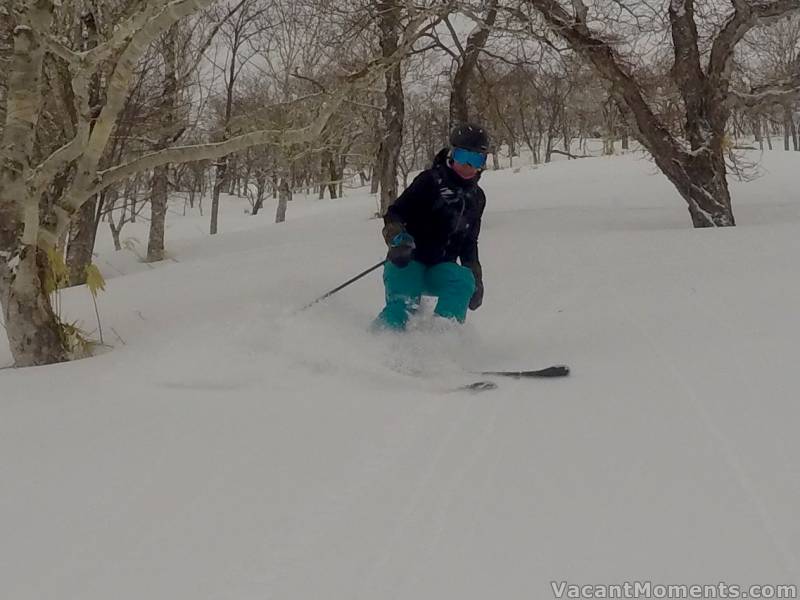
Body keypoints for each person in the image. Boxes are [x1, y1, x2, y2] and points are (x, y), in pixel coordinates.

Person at [374, 122, 489, 331]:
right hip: (407, 260)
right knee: (403, 308)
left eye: (476, 160)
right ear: (452, 154)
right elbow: (394, 213)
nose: (468, 166)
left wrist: (476, 279)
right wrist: (398, 238)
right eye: (463, 157)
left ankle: (440, 343)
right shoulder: (430, 181)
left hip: (439, 268)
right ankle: (376, 346)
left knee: (463, 280)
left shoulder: (476, 198)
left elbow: (469, 244)